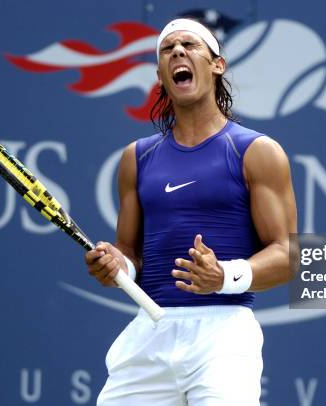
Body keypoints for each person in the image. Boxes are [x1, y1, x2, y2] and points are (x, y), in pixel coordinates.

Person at [85, 18, 297, 405]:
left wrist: (224, 275)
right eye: (168, 49)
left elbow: (287, 254)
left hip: (224, 338)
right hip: (150, 331)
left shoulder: (256, 152)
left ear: (218, 65)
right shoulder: (137, 157)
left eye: (190, 45)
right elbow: (130, 254)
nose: (178, 52)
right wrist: (117, 266)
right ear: (161, 76)